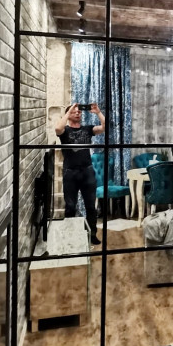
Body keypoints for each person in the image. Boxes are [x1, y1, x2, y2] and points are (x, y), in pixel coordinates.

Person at [55, 103, 105, 245]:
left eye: (79, 112)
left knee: (91, 206)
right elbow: (57, 129)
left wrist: (98, 112)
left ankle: (92, 234)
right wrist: (68, 111)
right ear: (69, 114)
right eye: (74, 112)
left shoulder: (87, 129)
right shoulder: (65, 131)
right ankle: (70, 236)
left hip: (87, 171)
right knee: (70, 206)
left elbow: (104, 127)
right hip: (70, 172)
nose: (77, 113)